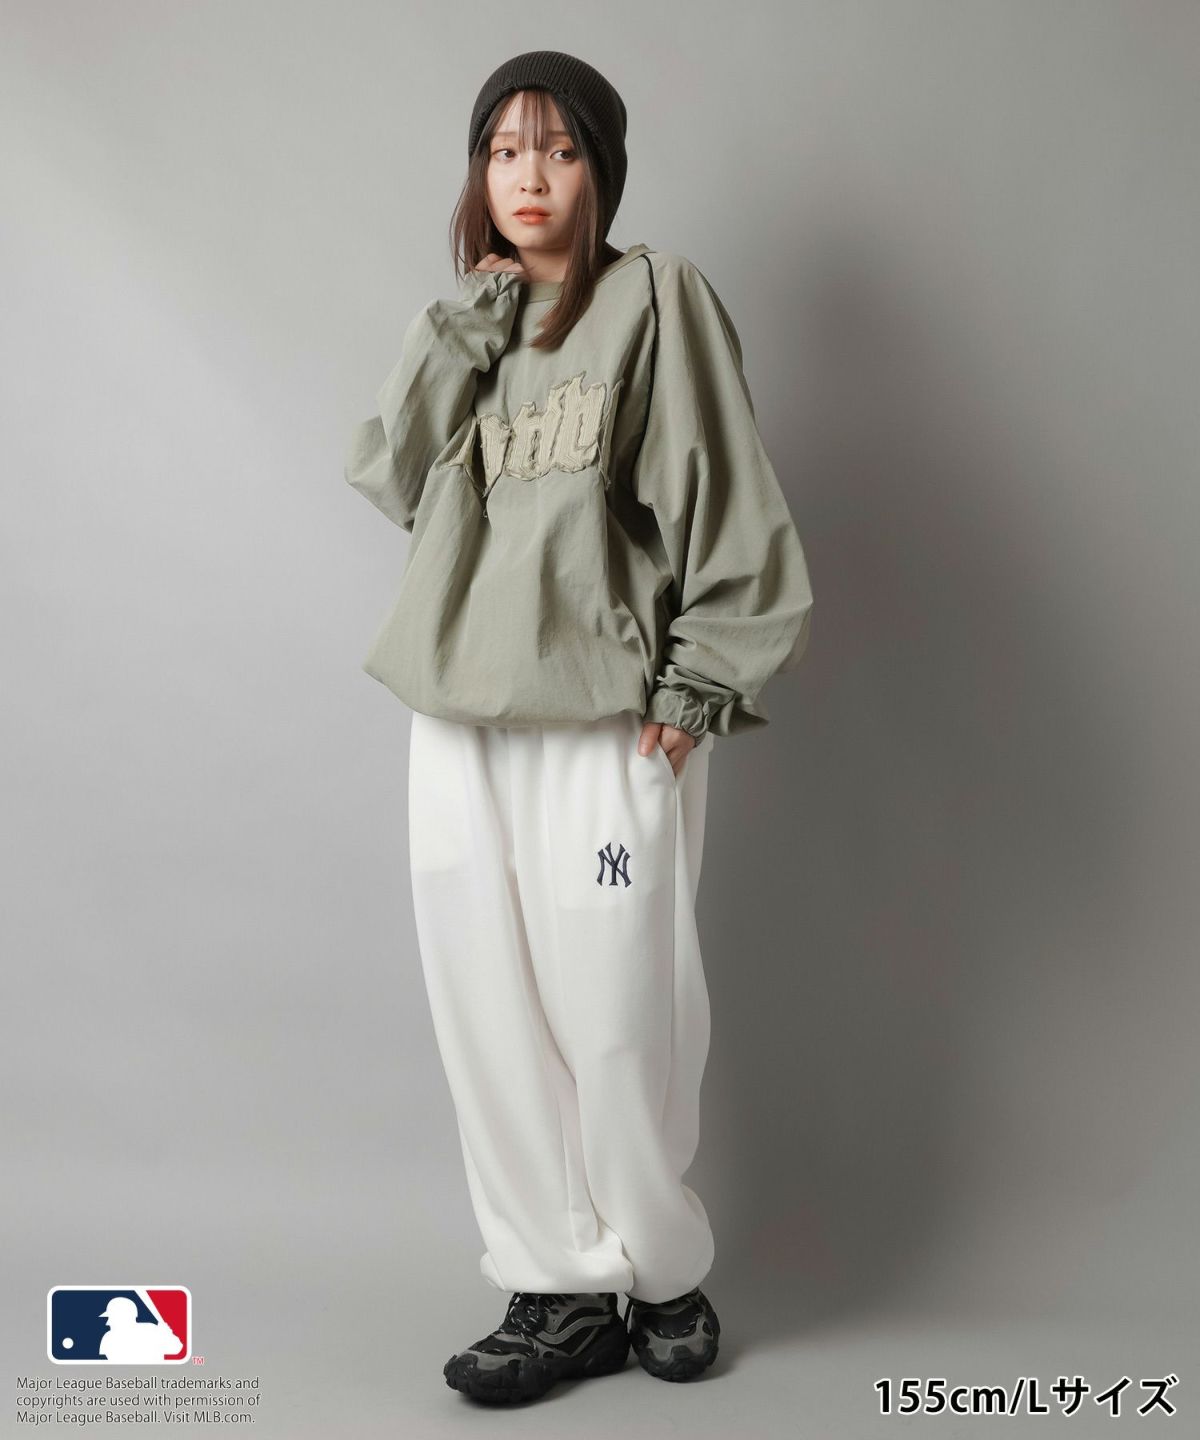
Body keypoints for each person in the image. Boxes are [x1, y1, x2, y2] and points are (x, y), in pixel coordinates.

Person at [343, 49, 814, 1406]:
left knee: (618, 1004)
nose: (529, 177)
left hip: (607, 722)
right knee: (485, 1004)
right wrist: (466, 326)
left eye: (557, 150)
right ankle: (555, 1288)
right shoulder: (469, 325)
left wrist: (695, 686)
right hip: (458, 725)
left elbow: (726, 497)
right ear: (477, 175)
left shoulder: (655, 299)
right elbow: (391, 473)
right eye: (503, 152)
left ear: (599, 168)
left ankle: (657, 1269)